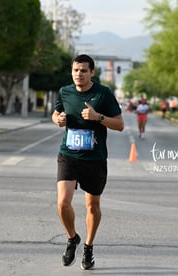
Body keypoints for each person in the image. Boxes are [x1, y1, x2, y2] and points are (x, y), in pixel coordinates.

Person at [52, 54, 124, 270]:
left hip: (95, 159)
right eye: (75, 70)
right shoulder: (65, 92)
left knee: (92, 206)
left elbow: (120, 125)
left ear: (92, 72)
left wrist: (98, 117)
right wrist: (58, 120)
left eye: (83, 70)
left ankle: (88, 247)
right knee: (62, 202)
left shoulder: (103, 94)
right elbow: (56, 114)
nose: (79, 74)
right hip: (69, 154)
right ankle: (72, 238)